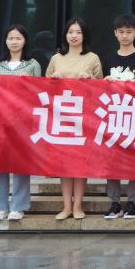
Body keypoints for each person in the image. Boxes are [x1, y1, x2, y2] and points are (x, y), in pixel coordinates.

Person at [0, 24, 41, 221]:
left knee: (20, 163)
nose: (14, 42)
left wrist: (30, 82)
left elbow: (40, 92)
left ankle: (18, 206)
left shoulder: (32, 64)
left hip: (23, 121)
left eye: (18, 38)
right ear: (5, 41)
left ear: (25, 41)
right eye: (11, 38)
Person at [46, 18, 103, 221]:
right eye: (70, 32)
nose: (74, 36)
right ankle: (66, 206)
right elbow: (43, 87)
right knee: (64, 164)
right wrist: (53, 80)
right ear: (65, 35)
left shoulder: (93, 58)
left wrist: (89, 79)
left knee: (80, 163)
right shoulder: (56, 58)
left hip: (84, 117)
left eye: (78, 32)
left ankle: (78, 205)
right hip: (61, 116)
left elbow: (102, 87)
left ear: (84, 35)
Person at [100, 13, 135, 221]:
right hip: (112, 115)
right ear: (115, 33)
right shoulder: (108, 59)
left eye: (129, 32)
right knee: (111, 160)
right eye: (121, 32)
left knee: (134, 159)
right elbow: (98, 90)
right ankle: (114, 202)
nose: (125, 35)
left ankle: (132, 202)